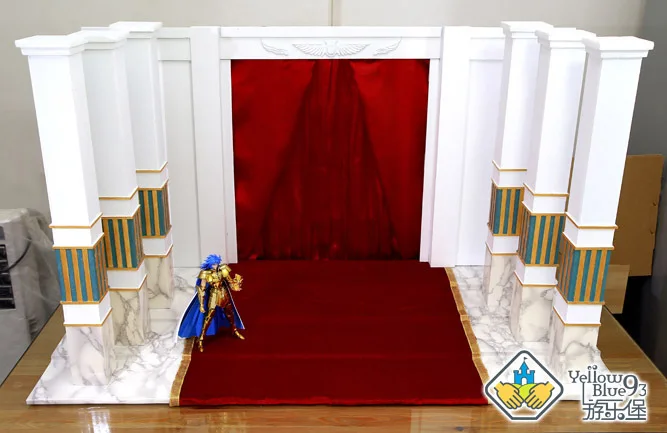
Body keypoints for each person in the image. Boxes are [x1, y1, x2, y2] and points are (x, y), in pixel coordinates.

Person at [176, 254, 245, 352]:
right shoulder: (205, 274)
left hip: (223, 294)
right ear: (209, 265)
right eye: (213, 264)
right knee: (209, 316)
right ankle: (201, 338)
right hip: (213, 295)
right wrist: (201, 304)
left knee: (230, 313)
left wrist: (236, 284)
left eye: (216, 264)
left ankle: (234, 330)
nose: (215, 266)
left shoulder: (223, 270)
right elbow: (202, 290)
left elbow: (229, 282)